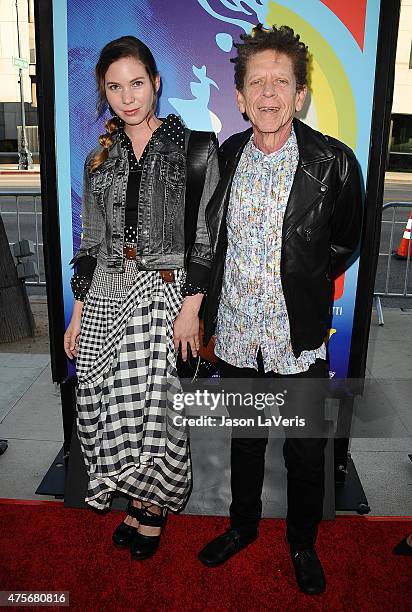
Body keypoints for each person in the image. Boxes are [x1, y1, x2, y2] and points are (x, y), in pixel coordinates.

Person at [198, 24, 363, 595]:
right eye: (256, 83)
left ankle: (302, 541)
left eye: (281, 82)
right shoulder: (224, 158)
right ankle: (241, 527)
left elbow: (345, 241)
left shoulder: (334, 163)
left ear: (300, 95)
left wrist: (306, 283)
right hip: (239, 336)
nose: (269, 94)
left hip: (299, 338)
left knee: (304, 451)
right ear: (240, 98)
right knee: (244, 441)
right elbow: (211, 244)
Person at [63, 36, 219, 560]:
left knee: (156, 413)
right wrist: (77, 316)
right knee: (108, 406)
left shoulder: (194, 149)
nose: (127, 96)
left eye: (136, 83)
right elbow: (89, 243)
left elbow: (205, 238)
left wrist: (192, 309)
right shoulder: (97, 160)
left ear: (155, 82)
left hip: (165, 291)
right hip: (108, 289)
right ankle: (133, 498)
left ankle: (152, 510)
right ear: (104, 94)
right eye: (114, 87)